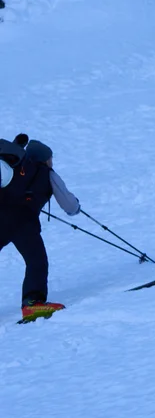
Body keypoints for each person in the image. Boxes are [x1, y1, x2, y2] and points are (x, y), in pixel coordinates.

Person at [1, 136, 81, 319]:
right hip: (22, 222)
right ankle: (33, 304)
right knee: (36, 260)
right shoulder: (47, 173)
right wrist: (76, 207)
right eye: (50, 158)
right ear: (45, 159)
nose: (51, 162)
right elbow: (69, 206)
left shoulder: (12, 169)